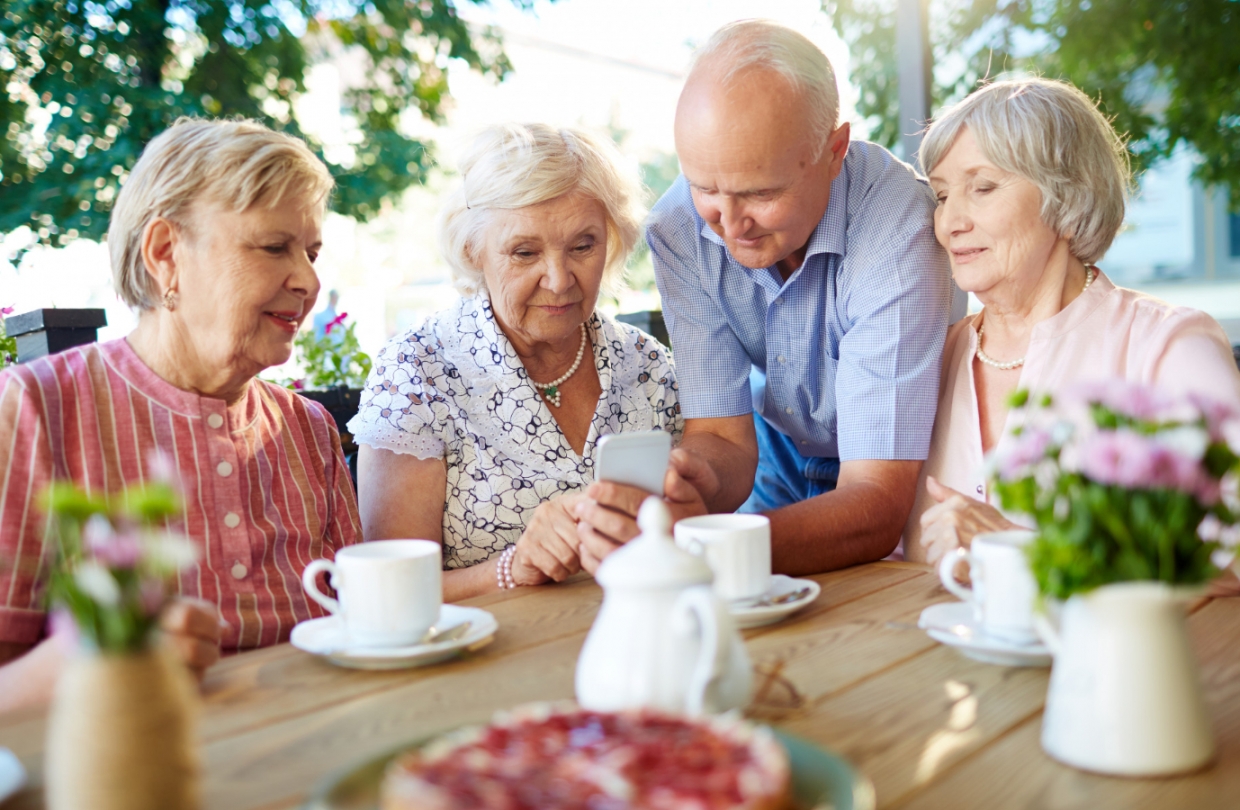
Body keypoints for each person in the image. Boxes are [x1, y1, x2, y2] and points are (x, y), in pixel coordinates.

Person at [0, 118, 362, 712]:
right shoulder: (35, 410)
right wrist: (91, 658)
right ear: (166, 254)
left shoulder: (309, 428)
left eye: (311, 251)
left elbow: (360, 626)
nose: (308, 279)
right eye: (274, 247)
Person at [575, 20, 953, 575]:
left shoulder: (898, 228)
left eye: (760, 193)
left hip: (899, 473)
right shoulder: (679, 228)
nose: (729, 226)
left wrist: (701, 547)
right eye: (706, 187)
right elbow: (723, 435)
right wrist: (691, 484)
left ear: (834, 151)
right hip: (779, 450)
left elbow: (876, 503)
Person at [904, 78, 1240, 564]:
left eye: (982, 187)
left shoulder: (1167, 345)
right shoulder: (927, 359)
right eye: (940, 196)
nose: (950, 221)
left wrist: (1021, 550)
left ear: (1065, 196)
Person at [349, 123, 683, 602]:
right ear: (473, 250)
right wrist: (512, 567)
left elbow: (690, 531)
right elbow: (385, 593)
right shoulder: (417, 371)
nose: (559, 279)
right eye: (525, 252)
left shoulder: (646, 363)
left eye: (583, 246)